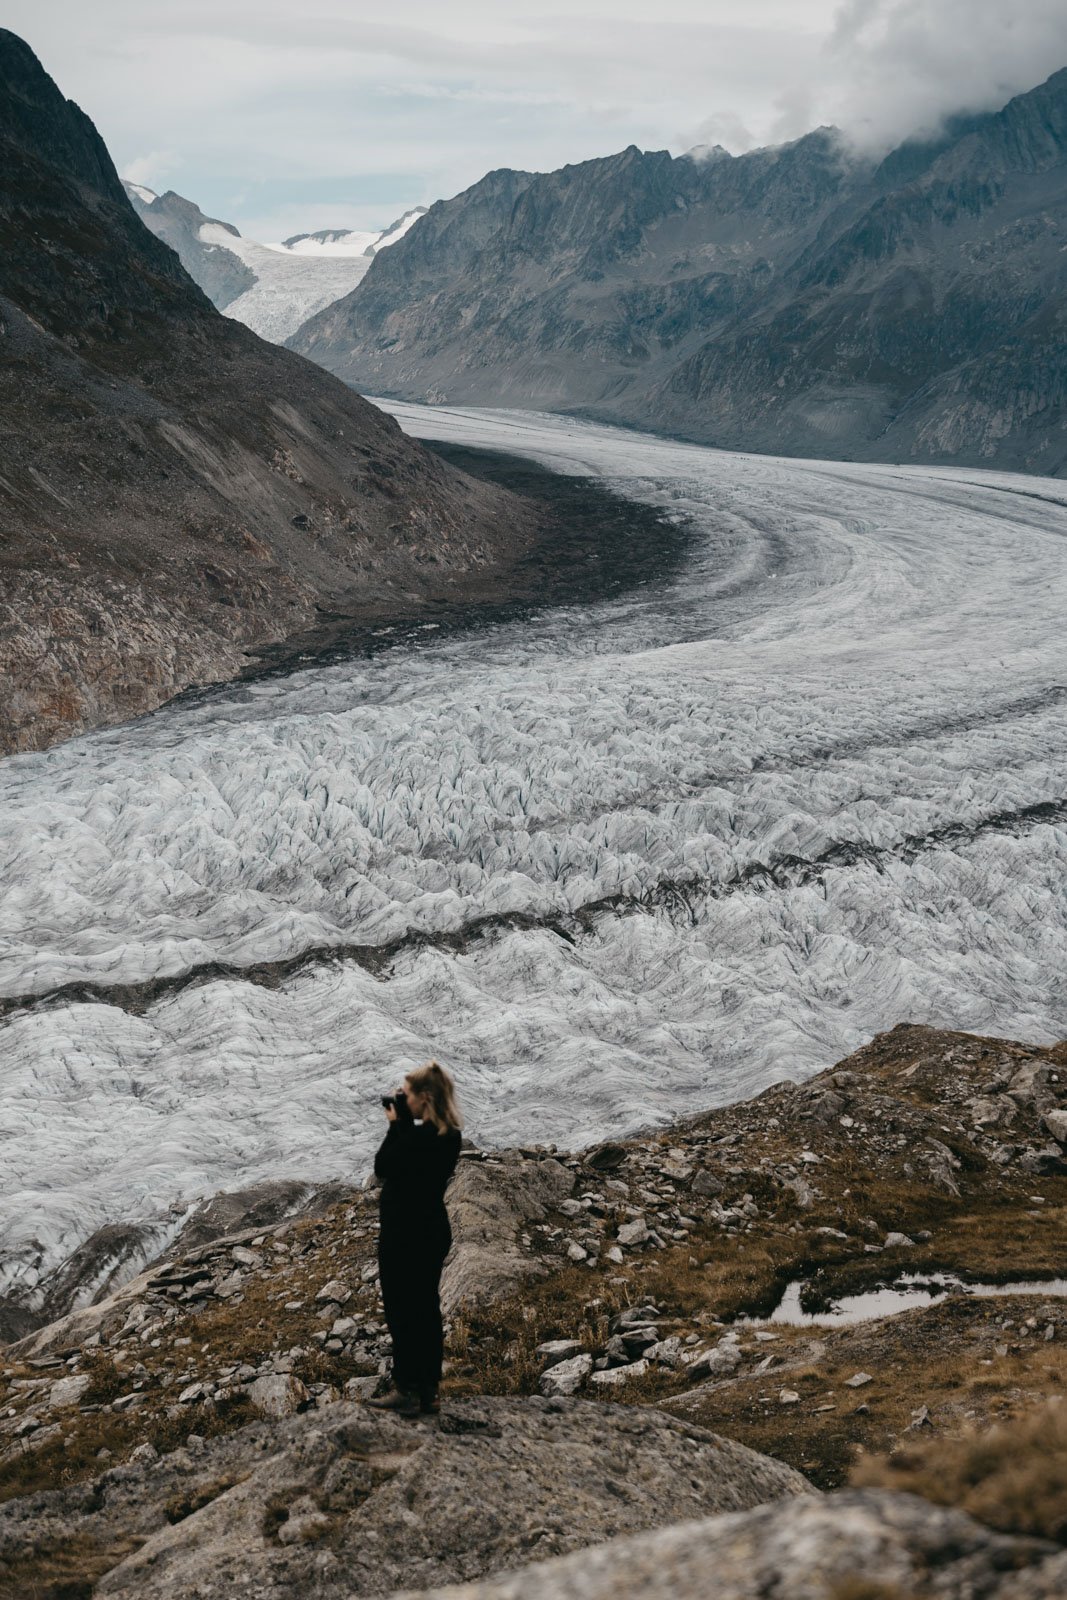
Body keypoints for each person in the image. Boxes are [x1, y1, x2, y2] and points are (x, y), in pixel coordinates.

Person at [367, 1060, 463, 1417]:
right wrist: (405, 1123)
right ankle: (429, 1390)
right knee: (425, 1310)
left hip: (405, 1233)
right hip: (431, 1230)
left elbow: (385, 1165)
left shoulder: (417, 1137)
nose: (400, 1099)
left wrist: (395, 1126)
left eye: (405, 1094)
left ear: (424, 1098)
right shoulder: (449, 1136)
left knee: (402, 1310)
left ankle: (407, 1389)